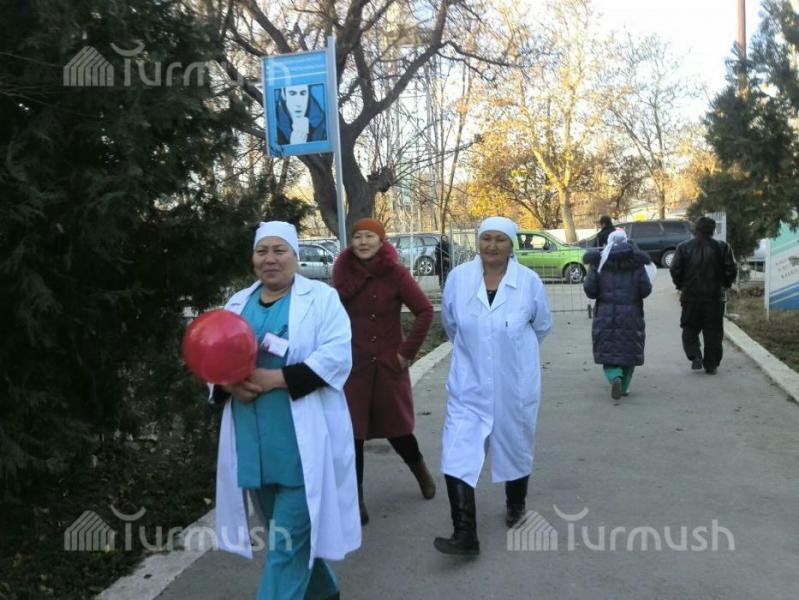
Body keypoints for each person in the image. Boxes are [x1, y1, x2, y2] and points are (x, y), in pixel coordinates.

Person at [209, 221, 359, 600]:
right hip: (253, 448)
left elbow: (337, 356)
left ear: (295, 256)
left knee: (284, 549)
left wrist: (273, 379)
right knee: (286, 537)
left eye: (280, 251)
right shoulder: (237, 303)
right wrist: (228, 385)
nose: (270, 259)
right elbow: (213, 358)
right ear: (253, 258)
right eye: (262, 251)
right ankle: (324, 592)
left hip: (301, 448)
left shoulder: (321, 299)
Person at [434, 216, 553, 556]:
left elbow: (542, 325)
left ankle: (515, 504)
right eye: (486, 238)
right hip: (468, 383)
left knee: (515, 444)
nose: (492, 245)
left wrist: (510, 352)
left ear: (511, 244)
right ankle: (464, 534)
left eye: (500, 239)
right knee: (457, 451)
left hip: (513, 383)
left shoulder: (528, 282)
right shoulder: (459, 279)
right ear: (478, 241)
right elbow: (451, 324)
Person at [332, 218, 436, 526]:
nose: (363, 242)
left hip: (389, 366)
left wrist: (405, 354)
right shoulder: (342, 273)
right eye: (357, 237)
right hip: (353, 368)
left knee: (398, 430)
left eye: (369, 236)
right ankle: (356, 499)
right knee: (352, 435)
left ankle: (421, 472)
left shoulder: (395, 273)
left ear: (381, 241)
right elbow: (330, 317)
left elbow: (425, 311)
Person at [582, 229, 653, 399]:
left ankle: (614, 377)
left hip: (605, 314)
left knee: (608, 351)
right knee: (629, 351)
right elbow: (645, 290)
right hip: (632, 314)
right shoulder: (637, 262)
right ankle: (624, 386)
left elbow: (590, 291)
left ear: (608, 242)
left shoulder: (598, 262)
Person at [669, 216, 737, 374]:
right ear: (713, 230)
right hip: (715, 297)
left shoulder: (684, 247)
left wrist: (680, 285)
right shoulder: (722, 247)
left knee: (689, 328)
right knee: (713, 331)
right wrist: (725, 285)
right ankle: (711, 364)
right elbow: (731, 269)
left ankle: (695, 355)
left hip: (690, 296)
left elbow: (675, 269)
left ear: (696, 229)